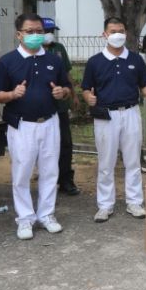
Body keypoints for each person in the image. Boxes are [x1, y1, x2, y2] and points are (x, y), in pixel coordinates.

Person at [0, 13, 73, 240]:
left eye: (39, 31)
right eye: (30, 31)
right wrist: (12, 94)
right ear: (19, 35)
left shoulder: (53, 60)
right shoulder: (8, 62)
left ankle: (47, 215)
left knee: (50, 171)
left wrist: (62, 92)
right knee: (22, 172)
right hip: (21, 125)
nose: (36, 35)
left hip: (49, 122)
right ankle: (25, 218)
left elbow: (67, 87)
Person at [82, 17, 146, 222]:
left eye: (121, 31)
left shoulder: (134, 59)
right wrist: (88, 97)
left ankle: (134, 202)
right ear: (104, 34)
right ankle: (105, 205)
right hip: (106, 116)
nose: (118, 35)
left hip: (131, 112)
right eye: (113, 31)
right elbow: (86, 89)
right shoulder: (95, 62)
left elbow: (145, 86)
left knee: (132, 161)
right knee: (106, 162)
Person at [41, 17, 80, 196]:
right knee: (44, 147)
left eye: (52, 30)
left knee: (65, 143)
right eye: (46, 30)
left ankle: (66, 180)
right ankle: (45, 180)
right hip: (41, 108)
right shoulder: (32, 50)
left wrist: (74, 94)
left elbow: (66, 73)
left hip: (60, 105)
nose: (50, 34)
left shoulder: (58, 49)